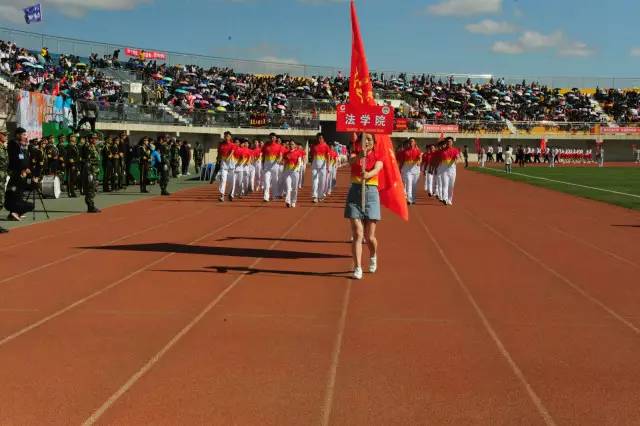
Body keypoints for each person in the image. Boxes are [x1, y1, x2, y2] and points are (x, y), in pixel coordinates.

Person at [345, 133, 383, 280]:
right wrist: (360, 155)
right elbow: (351, 161)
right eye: (364, 139)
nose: (366, 141)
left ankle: (373, 255)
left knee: (369, 236)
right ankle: (358, 267)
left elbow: (378, 168)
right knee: (357, 234)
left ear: (374, 142)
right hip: (355, 192)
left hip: (371, 193)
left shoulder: (378, 155)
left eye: (369, 139)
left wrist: (368, 174)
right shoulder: (356, 153)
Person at [5, 127, 35, 221]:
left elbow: (25, 159)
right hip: (17, 173)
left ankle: (16, 212)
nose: (25, 137)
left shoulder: (23, 145)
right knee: (15, 193)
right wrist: (23, 168)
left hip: (23, 173)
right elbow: (15, 159)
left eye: (25, 134)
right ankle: (14, 211)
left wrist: (27, 168)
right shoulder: (13, 144)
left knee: (20, 193)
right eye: (23, 135)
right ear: (17, 135)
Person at [81, 134, 101, 213]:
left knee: (94, 188)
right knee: (90, 188)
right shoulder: (88, 147)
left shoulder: (95, 147)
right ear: (89, 139)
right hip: (90, 170)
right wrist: (89, 173)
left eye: (96, 138)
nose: (95, 140)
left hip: (95, 170)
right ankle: (90, 206)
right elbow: (87, 161)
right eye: (93, 138)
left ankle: (91, 205)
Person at [438, 137, 460, 206]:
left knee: (451, 186)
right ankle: (445, 198)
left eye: (450, 141)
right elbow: (439, 160)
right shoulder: (442, 151)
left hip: (452, 171)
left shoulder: (455, 150)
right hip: (444, 171)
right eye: (447, 142)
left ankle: (450, 199)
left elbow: (458, 157)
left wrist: (457, 160)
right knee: (445, 185)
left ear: (452, 142)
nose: (448, 143)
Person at [217, 132, 238, 202]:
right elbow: (219, 153)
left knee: (232, 181)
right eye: (225, 136)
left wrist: (228, 158)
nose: (226, 137)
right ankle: (222, 195)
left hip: (231, 164)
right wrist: (218, 160)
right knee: (223, 180)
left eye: (228, 136)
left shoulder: (233, 145)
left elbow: (232, 152)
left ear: (230, 137)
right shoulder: (221, 145)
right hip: (224, 164)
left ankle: (230, 194)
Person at [283, 140, 304, 208]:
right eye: (290, 144)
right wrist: (284, 169)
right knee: (288, 187)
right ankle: (288, 201)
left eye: (292, 144)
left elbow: (299, 162)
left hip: (295, 172)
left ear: (295, 145)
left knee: (294, 188)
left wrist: (296, 168)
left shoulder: (298, 152)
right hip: (287, 172)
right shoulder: (286, 153)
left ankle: (293, 201)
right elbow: (284, 162)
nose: (291, 146)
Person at [400, 138, 421, 205]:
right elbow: (402, 161)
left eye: (412, 141)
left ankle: (413, 199)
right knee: (409, 183)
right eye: (410, 142)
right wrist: (400, 168)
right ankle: (409, 199)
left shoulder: (418, 150)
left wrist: (419, 162)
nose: (411, 143)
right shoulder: (405, 151)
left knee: (414, 185)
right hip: (407, 170)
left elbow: (420, 158)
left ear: (415, 143)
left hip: (415, 170)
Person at [310, 133, 331, 203]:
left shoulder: (326, 146)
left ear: (323, 139)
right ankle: (315, 196)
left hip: (323, 166)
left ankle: (320, 195)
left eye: (321, 138)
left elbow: (328, 157)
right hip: (315, 166)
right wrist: (312, 163)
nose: (319, 139)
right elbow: (312, 155)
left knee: (322, 182)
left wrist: (328, 166)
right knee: (314, 181)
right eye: (318, 138)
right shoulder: (313, 146)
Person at [261, 133, 282, 202]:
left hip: (275, 166)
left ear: (276, 138)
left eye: (273, 137)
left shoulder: (279, 146)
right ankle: (266, 197)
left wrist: (279, 159)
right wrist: (262, 164)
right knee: (266, 182)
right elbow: (263, 155)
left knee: (274, 181)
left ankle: (274, 195)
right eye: (271, 137)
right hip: (267, 167)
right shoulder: (265, 146)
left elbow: (281, 155)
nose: (272, 138)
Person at [0, 128, 8, 233]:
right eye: (4, 134)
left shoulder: (3, 147)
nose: (6, 136)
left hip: (2, 177)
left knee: (1, 201)